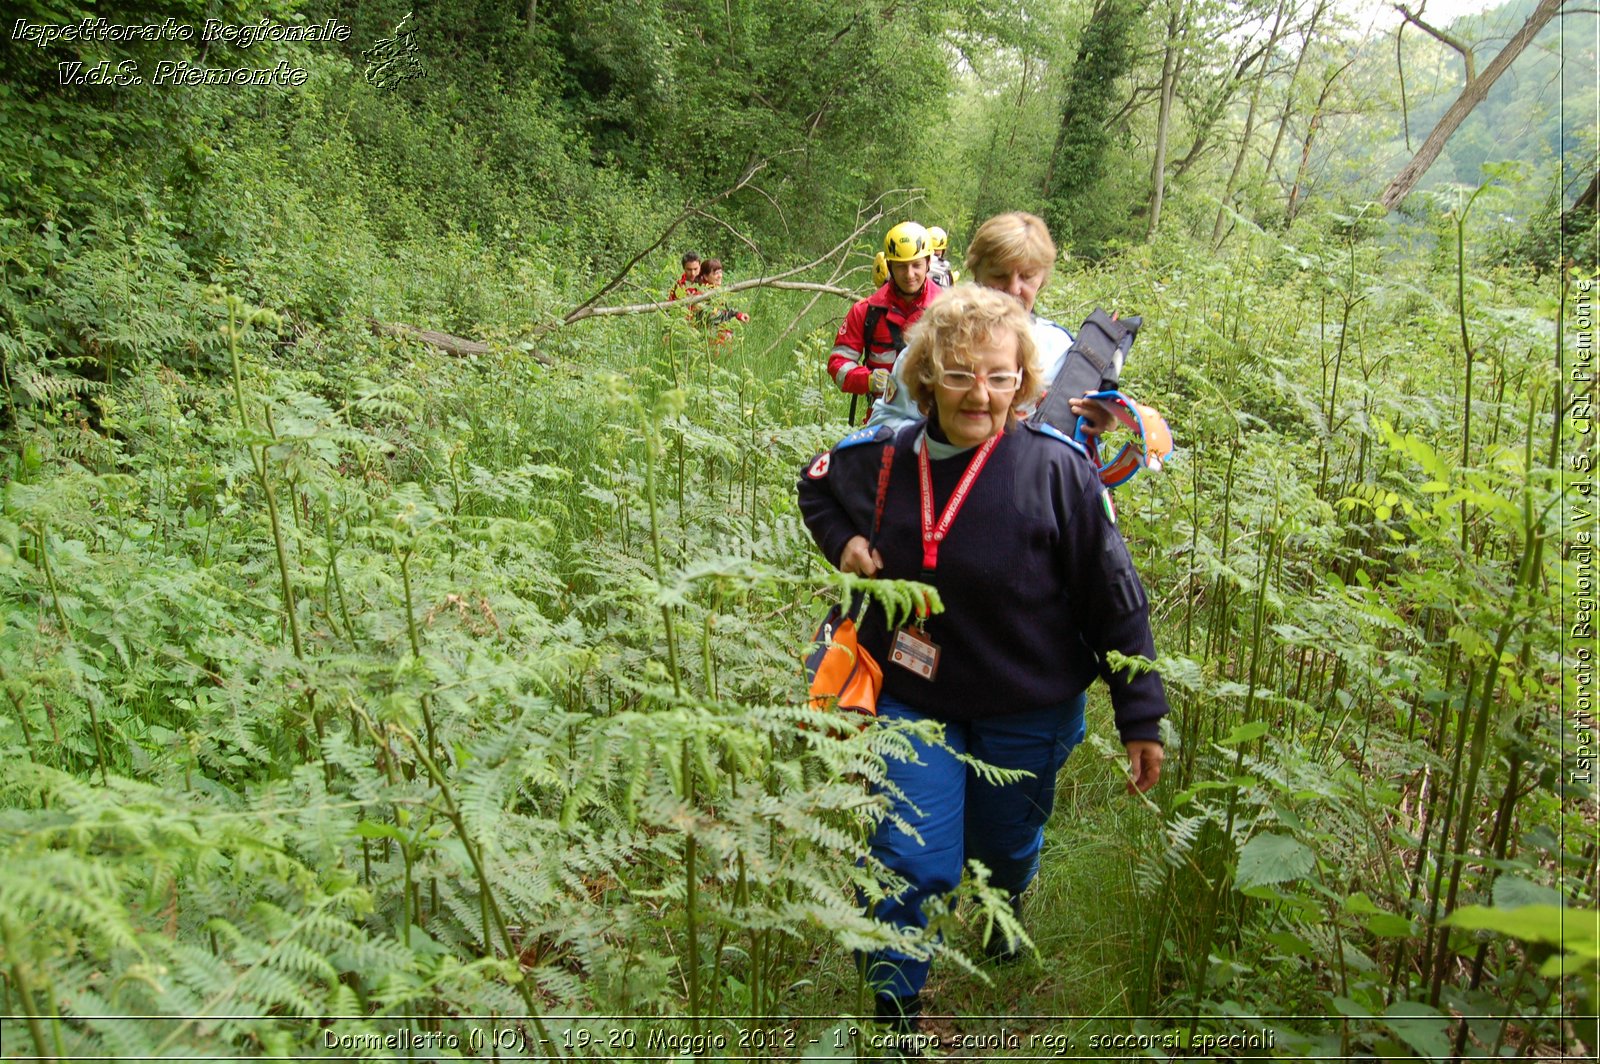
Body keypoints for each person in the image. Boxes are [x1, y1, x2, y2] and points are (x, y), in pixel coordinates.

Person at [798, 284, 1168, 1034]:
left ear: (1023, 381)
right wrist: (844, 542)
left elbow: (1113, 596)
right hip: (911, 697)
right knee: (913, 859)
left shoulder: (1058, 472)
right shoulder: (880, 460)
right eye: (962, 373)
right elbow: (815, 487)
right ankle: (895, 1013)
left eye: (1001, 376)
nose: (982, 393)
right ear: (927, 375)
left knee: (1003, 849)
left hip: (1030, 704)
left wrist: (1142, 713)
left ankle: (1004, 920)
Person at [828, 222, 943, 423]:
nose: (909, 275)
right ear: (889, 266)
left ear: (927, 263)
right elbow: (838, 363)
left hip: (934, 421)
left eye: (916, 265)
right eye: (901, 266)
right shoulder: (866, 311)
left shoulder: (946, 309)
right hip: (882, 418)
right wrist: (868, 380)